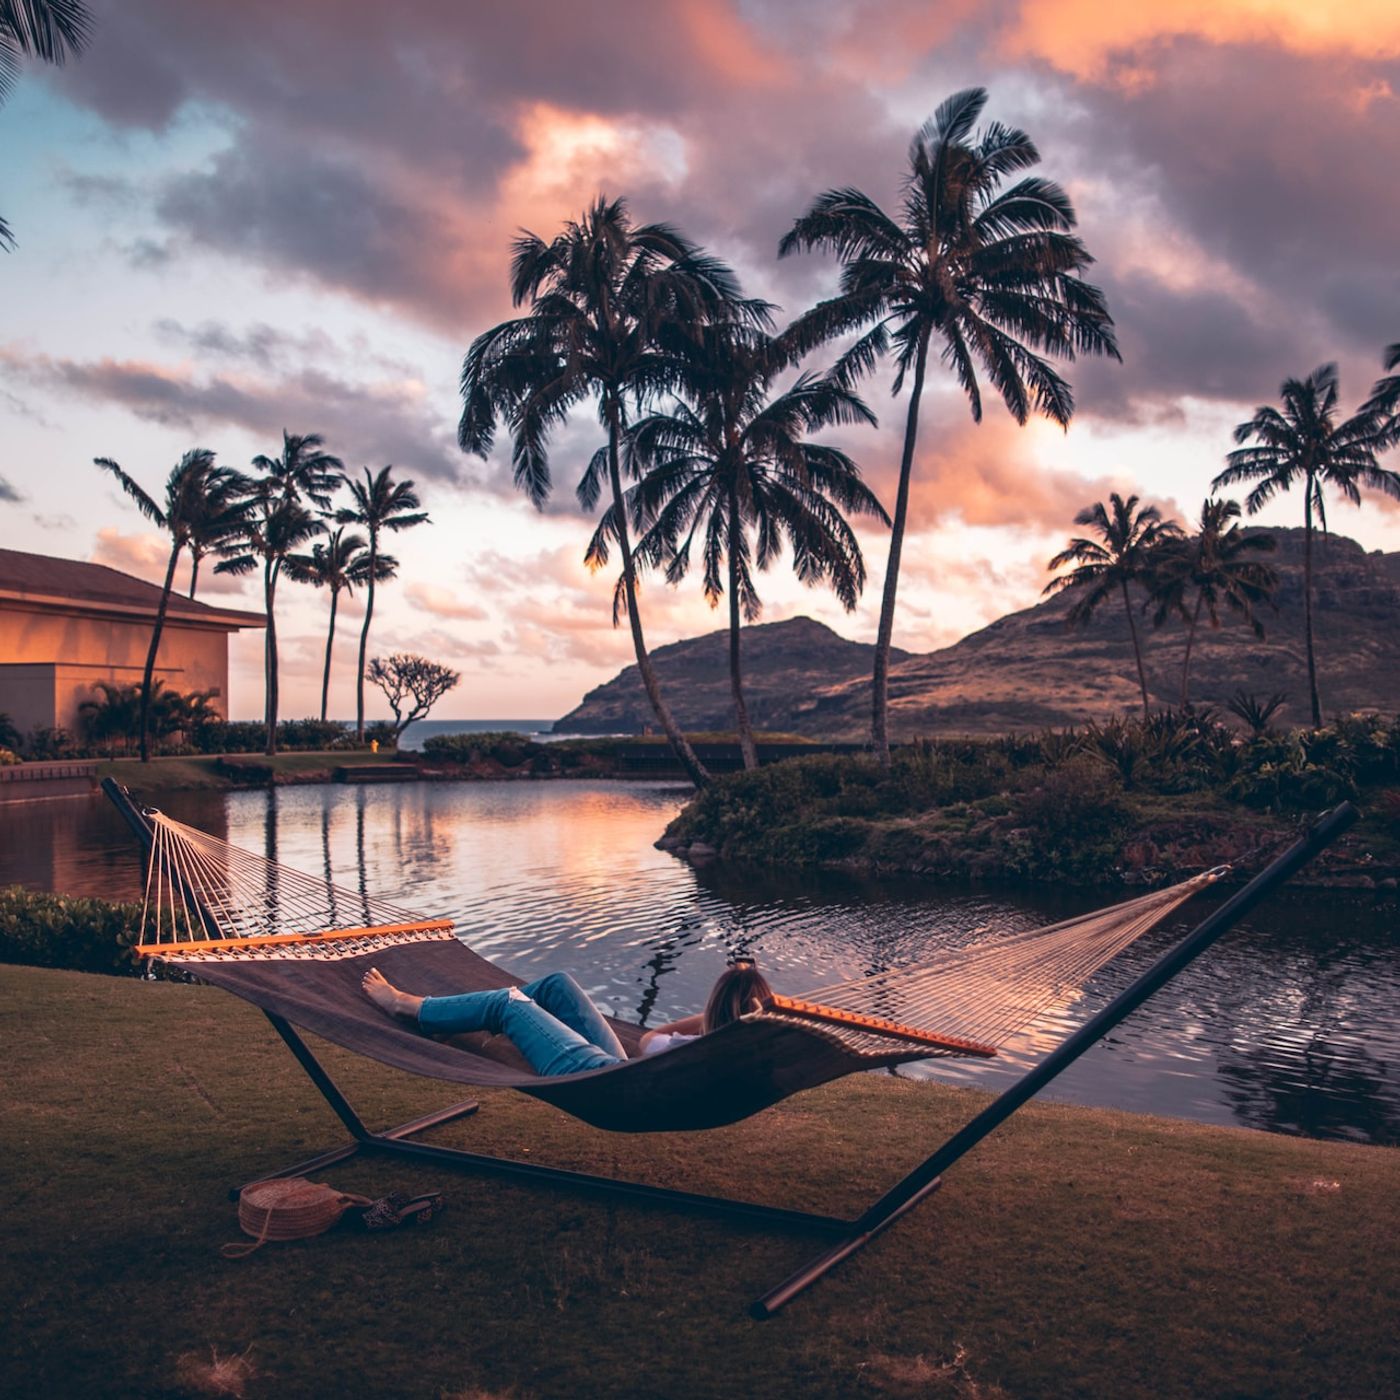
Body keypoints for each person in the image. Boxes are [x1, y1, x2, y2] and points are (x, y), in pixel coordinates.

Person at [361, 958, 774, 1078]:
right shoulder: (754, 1052)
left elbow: (648, 1041)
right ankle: (449, 1020)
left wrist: (705, 1018)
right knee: (558, 985)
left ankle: (407, 1005)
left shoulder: (698, 1044)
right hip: (624, 1075)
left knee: (509, 1003)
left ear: (717, 1006)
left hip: (607, 1084)